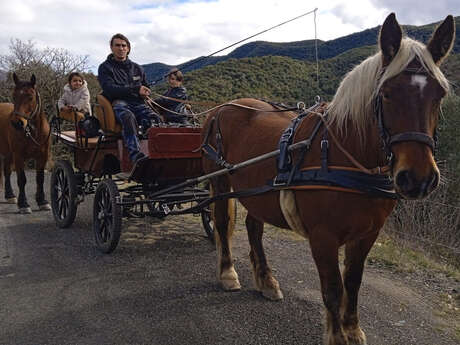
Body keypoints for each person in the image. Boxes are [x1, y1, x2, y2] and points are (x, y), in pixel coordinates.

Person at [97, 33, 161, 164]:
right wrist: (135, 90)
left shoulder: (137, 68)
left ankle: (157, 153)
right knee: (128, 117)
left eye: (124, 45)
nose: (121, 48)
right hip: (119, 103)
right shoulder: (105, 68)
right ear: (111, 47)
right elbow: (110, 89)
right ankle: (135, 156)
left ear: (128, 48)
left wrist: (146, 92)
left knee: (156, 119)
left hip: (138, 103)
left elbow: (145, 86)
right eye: (117, 45)